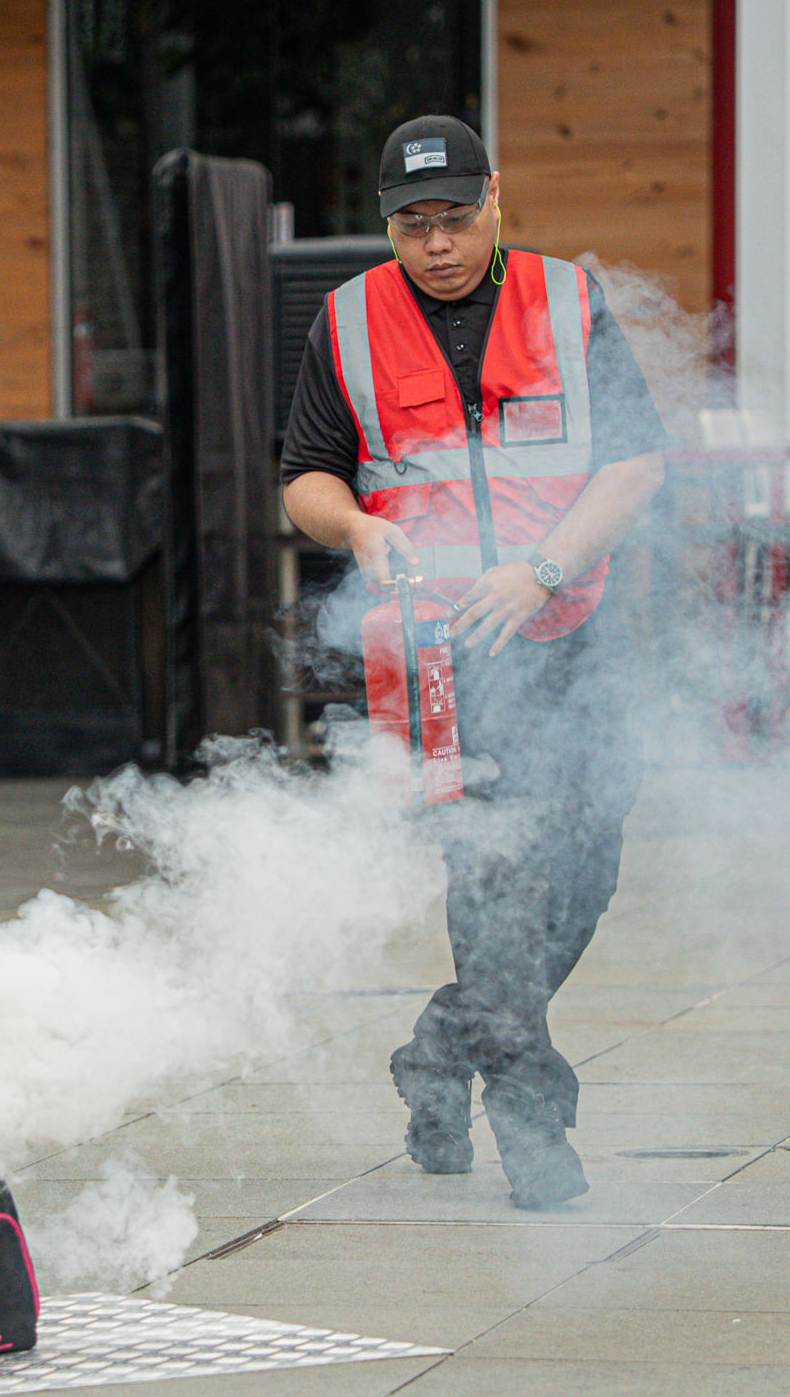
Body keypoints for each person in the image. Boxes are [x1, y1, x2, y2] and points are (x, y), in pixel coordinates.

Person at [279, 116, 665, 1209]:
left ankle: (441, 1046)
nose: (437, 243)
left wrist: (541, 567)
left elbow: (636, 463)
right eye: (413, 225)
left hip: (572, 635)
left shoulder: (567, 302)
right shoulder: (348, 323)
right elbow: (306, 477)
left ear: (495, 198)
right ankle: (533, 1124)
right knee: (494, 885)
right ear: (387, 226)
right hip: (441, 663)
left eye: (454, 218)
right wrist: (355, 529)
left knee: (583, 879)